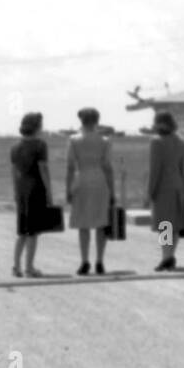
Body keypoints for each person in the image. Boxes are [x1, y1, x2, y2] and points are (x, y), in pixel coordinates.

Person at [66, 107, 116, 275]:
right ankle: (100, 261)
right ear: (97, 120)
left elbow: (70, 167)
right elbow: (108, 167)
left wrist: (68, 188)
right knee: (101, 222)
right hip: (100, 180)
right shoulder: (105, 140)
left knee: (83, 224)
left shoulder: (74, 140)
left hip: (82, 180)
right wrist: (113, 190)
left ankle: (84, 260)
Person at [10, 111, 52, 278]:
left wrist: (14, 191)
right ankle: (29, 268)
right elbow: (43, 169)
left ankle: (16, 266)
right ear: (37, 127)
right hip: (36, 189)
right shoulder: (40, 145)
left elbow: (13, 171)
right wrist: (49, 191)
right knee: (33, 232)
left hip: (21, 189)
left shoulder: (14, 147)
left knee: (22, 231)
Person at [147, 109, 184, 272]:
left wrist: (150, 191)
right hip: (178, 185)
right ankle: (170, 255)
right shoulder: (181, 141)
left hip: (163, 187)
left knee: (165, 225)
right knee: (175, 224)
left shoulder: (156, 142)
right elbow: (182, 168)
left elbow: (155, 169)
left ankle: (166, 257)